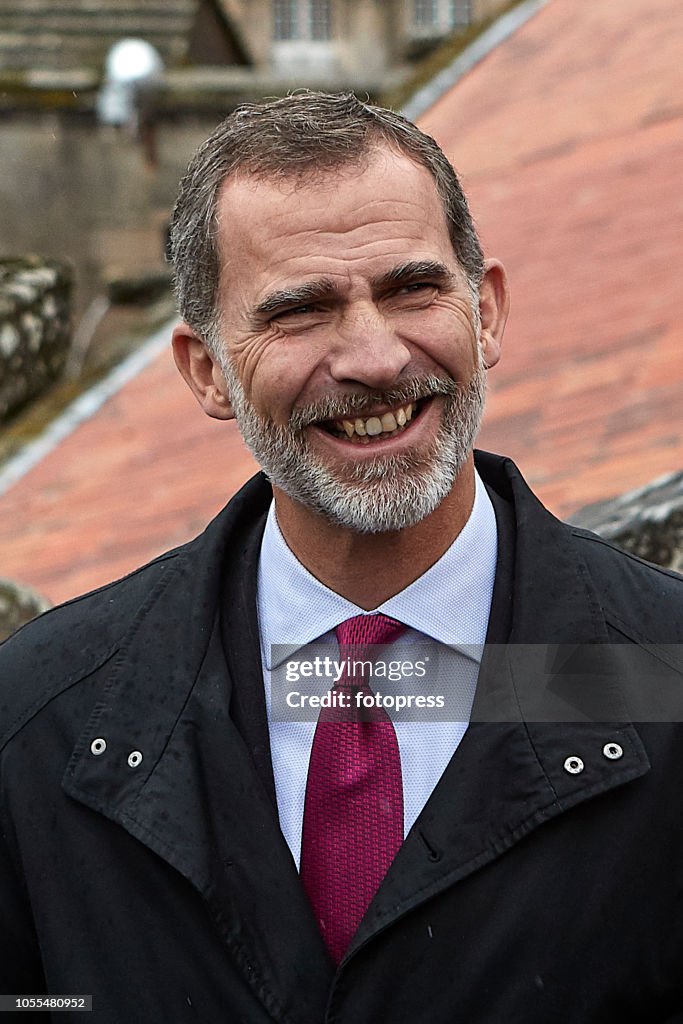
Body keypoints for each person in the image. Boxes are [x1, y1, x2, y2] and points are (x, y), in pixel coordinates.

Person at [1, 91, 682, 1023]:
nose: (372, 356)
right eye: (300, 311)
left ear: (484, 311)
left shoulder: (659, 678)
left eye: (411, 290)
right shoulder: (43, 724)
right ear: (207, 371)